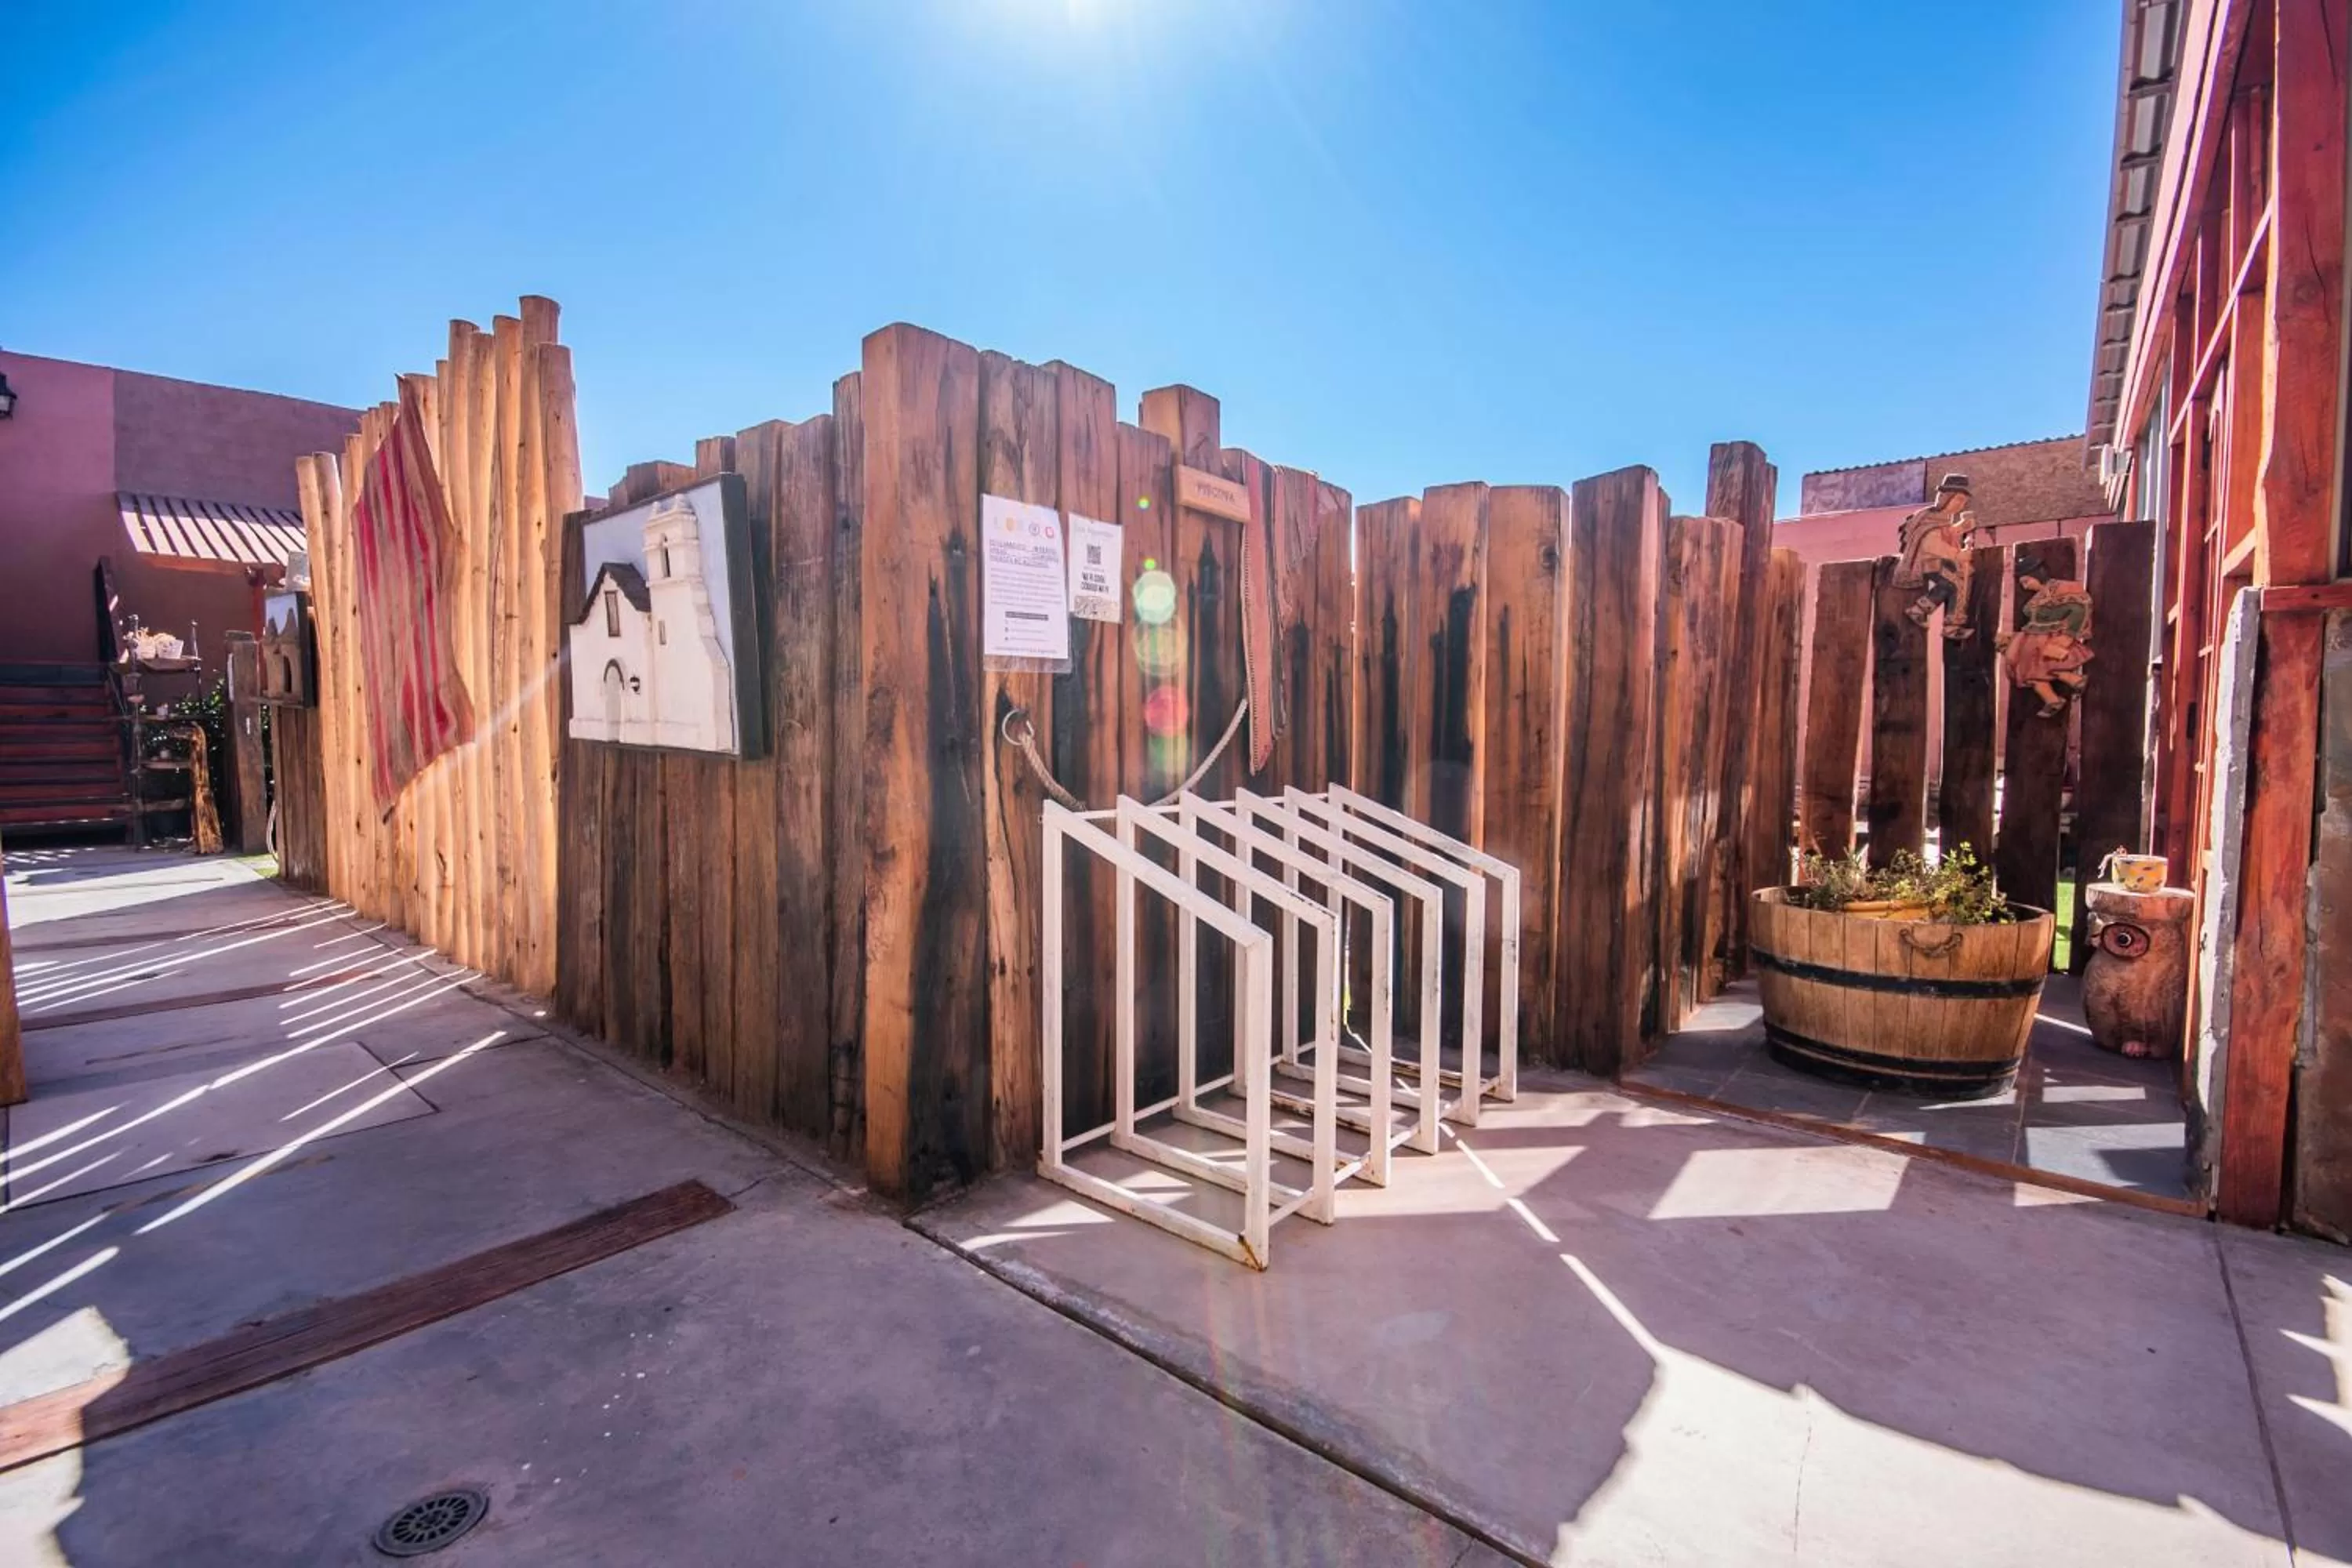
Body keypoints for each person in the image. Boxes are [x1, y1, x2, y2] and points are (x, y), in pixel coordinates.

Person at [1891, 472, 1980, 637]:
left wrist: (1962, 527)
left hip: (1940, 562)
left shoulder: (1942, 518)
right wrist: (1957, 555)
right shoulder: (1928, 517)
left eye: (1964, 502)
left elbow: (1946, 533)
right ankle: (1952, 626)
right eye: (1959, 500)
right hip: (1930, 563)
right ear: (1946, 497)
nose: (1961, 505)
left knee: (1948, 585)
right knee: (1957, 583)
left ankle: (1919, 610)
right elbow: (1930, 543)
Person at [1998, 574, 2093, 716]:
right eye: (2023, 583)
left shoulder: (2061, 589)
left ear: (2038, 576)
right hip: (2030, 638)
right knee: (2031, 672)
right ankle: (2055, 698)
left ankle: (2074, 683)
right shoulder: (2037, 597)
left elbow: (2080, 607)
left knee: (2049, 665)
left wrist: (2070, 634)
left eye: (2027, 581)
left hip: (2049, 637)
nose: (2026, 586)